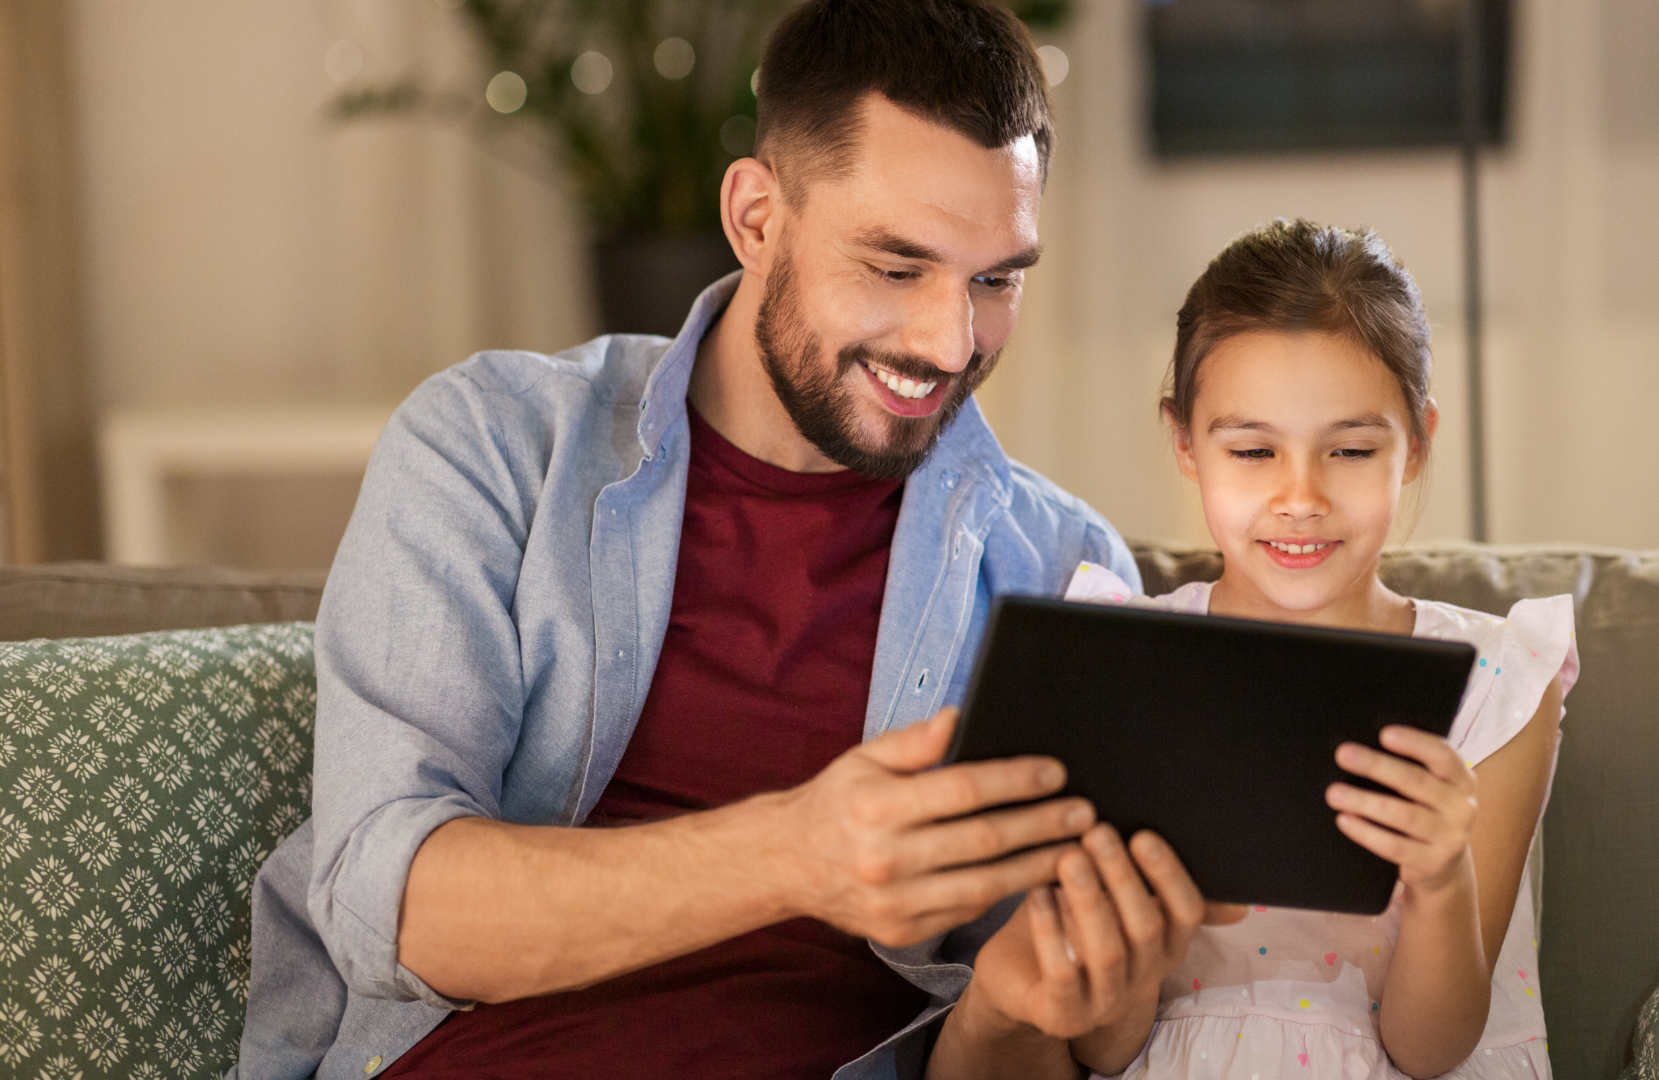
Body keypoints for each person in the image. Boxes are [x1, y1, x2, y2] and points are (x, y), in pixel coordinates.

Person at [232, 2, 1206, 1077]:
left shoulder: (1060, 574)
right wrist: (795, 855)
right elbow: (390, 906)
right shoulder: (494, 446)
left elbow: (1012, 1055)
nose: (949, 340)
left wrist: (1048, 1009)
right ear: (755, 216)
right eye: (894, 268)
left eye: (996, 279)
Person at [982, 220, 1580, 1078]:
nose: (1300, 497)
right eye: (1254, 450)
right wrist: (1154, 923)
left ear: (1416, 444)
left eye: (1350, 449)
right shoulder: (1128, 662)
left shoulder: (1500, 685)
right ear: (1186, 442)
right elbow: (1106, 1050)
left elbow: (1433, 1050)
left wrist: (1441, 877)